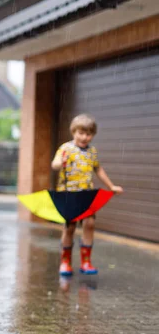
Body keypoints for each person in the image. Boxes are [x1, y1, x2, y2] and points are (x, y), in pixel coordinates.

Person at [51, 114, 123, 277]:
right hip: (68, 194)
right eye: (81, 133)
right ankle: (65, 262)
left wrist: (111, 186)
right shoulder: (65, 149)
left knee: (89, 224)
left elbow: (98, 169)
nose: (84, 137)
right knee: (69, 227)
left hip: (86, 194)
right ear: (73, 132)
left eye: (88, 134)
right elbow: (54, 164)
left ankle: (86, 261)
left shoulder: (92, 151)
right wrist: (58, 163)